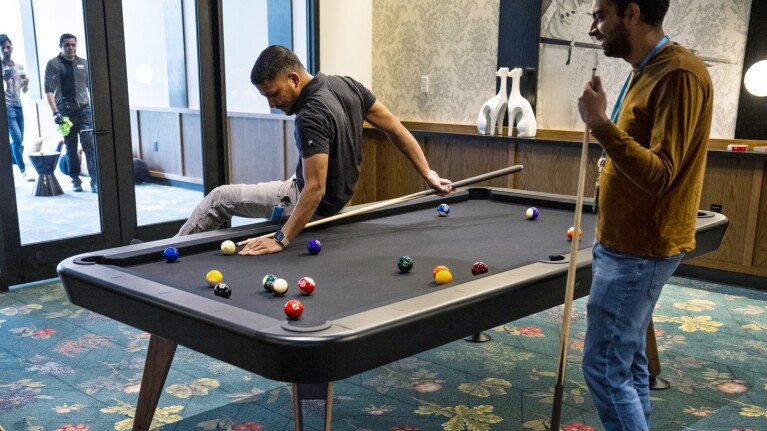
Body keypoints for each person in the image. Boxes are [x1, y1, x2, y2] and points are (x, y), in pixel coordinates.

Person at [577, 1, 713, 430]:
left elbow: (661, 175)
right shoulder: (647, 69)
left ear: (631, 14)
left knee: (602, 368)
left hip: (640, 249)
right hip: (620, 242)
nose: (594, 27)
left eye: (601, 15)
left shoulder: (679, 74)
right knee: (630, 364)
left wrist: (600, 125)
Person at [178, 45, 451, 254]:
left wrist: (280, 239)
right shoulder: (346, 84)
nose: (271, 104)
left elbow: (314, 189)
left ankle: (166, 251)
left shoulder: (310, 115)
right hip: (339, 199)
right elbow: (396, 128)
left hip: (307, 200)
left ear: (294, 79)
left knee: (219, 198)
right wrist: (428, 172)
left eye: (273, 94)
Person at [44, 33, 98, 193]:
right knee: (71, 147)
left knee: (90, 146)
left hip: (85, 112)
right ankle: (75, 179)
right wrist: (55, 112)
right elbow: (48, 90)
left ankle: (95, 181)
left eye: (73, 45)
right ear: (60, 46)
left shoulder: (84, 63)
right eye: (67, 45)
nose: (71, 48)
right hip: (65, 114)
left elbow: (91, 87)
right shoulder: (54, 64)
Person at [1, 34, 33, 182]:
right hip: (7, 107)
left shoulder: (18, 67)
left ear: (12, 47)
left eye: (8, 47)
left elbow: (24, 91)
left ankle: (16, 165)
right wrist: (4, 80)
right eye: (3, 48)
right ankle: (23, 170)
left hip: (18, 105)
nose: (6, 50)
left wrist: (26, 84)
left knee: (18, 140)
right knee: (17, 137)